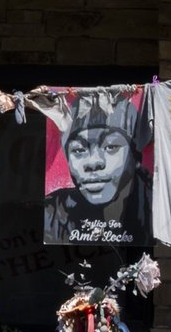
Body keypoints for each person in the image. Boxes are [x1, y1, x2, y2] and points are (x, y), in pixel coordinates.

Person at [43, 90, 144, 244]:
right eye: (78, 150)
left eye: (111, 147)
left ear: (136, 155)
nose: (93, 162)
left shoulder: (156, 208)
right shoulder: (54, 212)